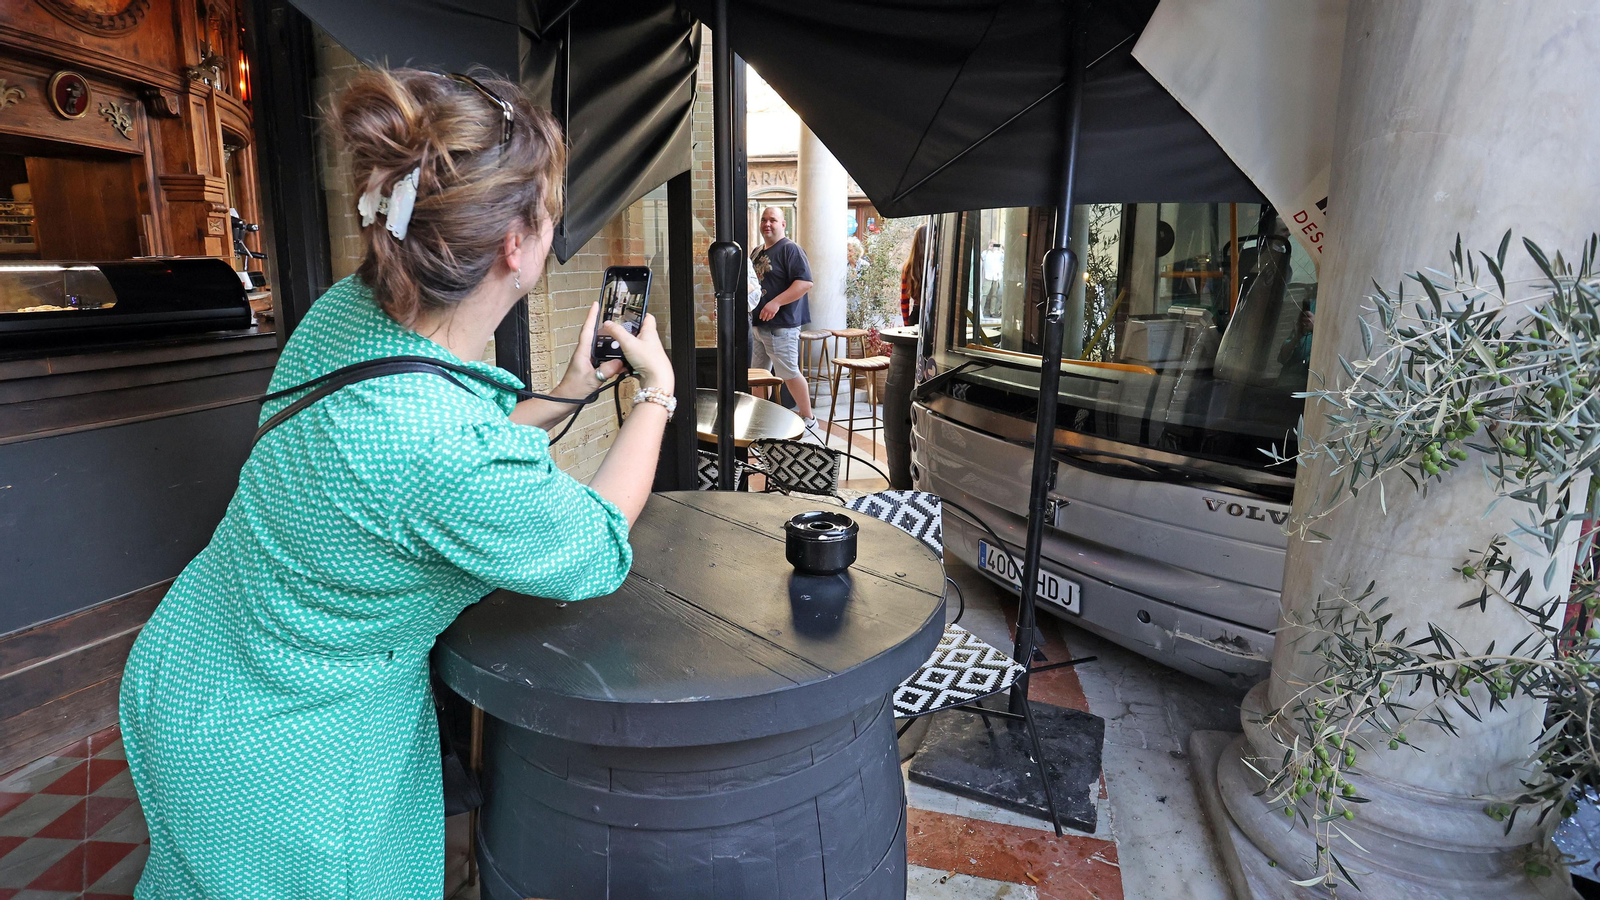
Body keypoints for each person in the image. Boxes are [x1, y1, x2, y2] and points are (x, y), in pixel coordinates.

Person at [117, 68, 675, 900]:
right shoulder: (445, 448)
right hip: (290, 753)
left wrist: (570, 386)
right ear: (515, 246)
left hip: (192, 667)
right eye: (551, 209)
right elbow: (594, 544)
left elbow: (432, 465)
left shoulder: (348, 309)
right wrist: (658, 395)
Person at [751, 205, 817, 429]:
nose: (767, 224)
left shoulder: (791, 249)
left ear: (783, 224)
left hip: (781, 326)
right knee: (758, 375)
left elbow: (805, 283)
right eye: (764, 220)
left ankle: (809, 419)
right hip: (758, 326)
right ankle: (761, 420)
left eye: (772, 220)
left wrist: (776, 302)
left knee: (789, 372)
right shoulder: (756, 252)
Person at [900, 222, 928, 326]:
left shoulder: (908, 267)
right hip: (933, 315)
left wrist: (906, 324)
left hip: (916, 316)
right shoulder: (935, 265)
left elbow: (904, 299)